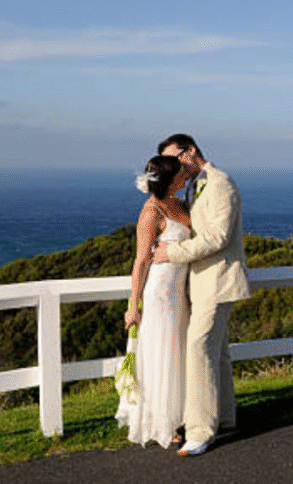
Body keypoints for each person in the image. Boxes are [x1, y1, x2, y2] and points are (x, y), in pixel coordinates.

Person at [153, 134, 252, 457]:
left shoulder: (220, 183)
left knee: (198, 350)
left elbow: (218, 238)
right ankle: (224, 417)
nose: (175, 167)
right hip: (202, 282)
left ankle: (200, 431)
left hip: (218, 281)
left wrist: (172, 253)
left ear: (191, 151)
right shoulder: (197, 185)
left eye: (176, 159)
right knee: (217, 352)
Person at [115, 155, 192, 448]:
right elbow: (141, 260)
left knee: (180, 351)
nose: (186, 178)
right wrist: (133, 305)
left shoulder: (182, 204)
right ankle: (163, 422)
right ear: (170, 180)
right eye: (181, 175)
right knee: (162, 352)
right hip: (160, 292)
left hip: (180, 291)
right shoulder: (151, 211)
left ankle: (182, 415)